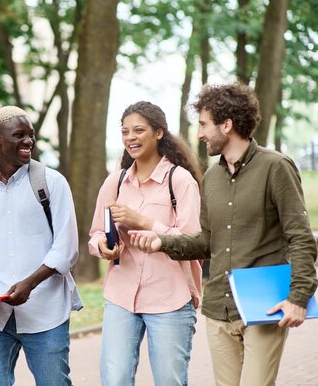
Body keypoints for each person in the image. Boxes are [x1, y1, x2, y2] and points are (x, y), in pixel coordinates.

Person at [128, 83, 317, 386]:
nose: (200, 134)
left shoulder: (276, 167)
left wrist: (298, 297)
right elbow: (206, 241)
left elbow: (301, 237)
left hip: (263, 307)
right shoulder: (212, 177)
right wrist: (162, 242)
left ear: (227, 125)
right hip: (218, 308)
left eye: (204, 124)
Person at [0, 105, 82, 386]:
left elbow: (66, 248)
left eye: (31, 135)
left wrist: (29, 283)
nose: (28, 142)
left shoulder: (52, 182)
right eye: (19, 135)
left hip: (44, 310)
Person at [88, 101, 203, 386]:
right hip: (120, 296)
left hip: (170, 299)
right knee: (114, 380)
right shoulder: (115, 182)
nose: (131, 138)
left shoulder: (180, 181)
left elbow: (194, 242)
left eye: (139, 130)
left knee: (169, 381)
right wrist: (103, 246)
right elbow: (96, 233)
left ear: (159, 133)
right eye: (125, 131)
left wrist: (145, 222)